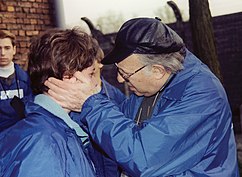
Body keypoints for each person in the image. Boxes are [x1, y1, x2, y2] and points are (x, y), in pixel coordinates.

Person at [44, 18, 240, 177]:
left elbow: (144, 157)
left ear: (157, 71)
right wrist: (73, 104)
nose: (120, 79)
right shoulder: (152, 87)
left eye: (125, 74)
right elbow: (120, 123)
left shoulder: (203, 96)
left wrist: (91, 104)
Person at [0, 28, 98, 177]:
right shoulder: (43, 143)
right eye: (91, 74)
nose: (95, 85)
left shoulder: (55, 128)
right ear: (68, 77)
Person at [0, 30, 32, 131]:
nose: (2, 53)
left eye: (7, 48)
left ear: (14, 50)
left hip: (23, 134)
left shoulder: (27, 79)